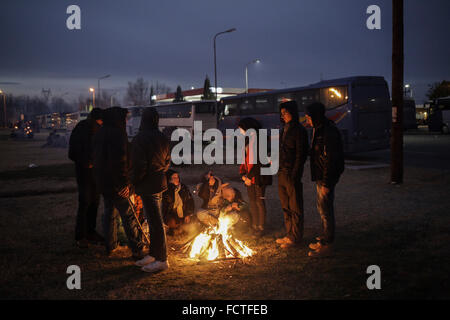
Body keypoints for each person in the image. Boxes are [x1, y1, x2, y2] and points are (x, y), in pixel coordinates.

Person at [93, 107, 145, 259]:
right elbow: (119, 162)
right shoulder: (117, 134)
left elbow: (98, 160)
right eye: (125, 118)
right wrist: (124, 183)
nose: (127, 121)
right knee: (128, 215)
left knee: (109, 213)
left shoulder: (100, 133)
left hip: (103, 182)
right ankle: (137, 249)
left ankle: (111, 246)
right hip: (116, 183)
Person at [131, 107, 171, 273]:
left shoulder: (140, 139)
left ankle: (162, 259)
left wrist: (134, 182)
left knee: (155, 223)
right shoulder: (163, 137)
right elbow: (168, 161)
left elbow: (139, 166)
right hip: (159, 183)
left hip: (148, 185)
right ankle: (154, 254)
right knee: (154, 221)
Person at [305, 102, 344, 257]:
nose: (307, 120)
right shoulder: (319, 129)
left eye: (308, 117)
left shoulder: (328, 131)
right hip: (321, 176)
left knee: (326, 210)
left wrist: (327, 182)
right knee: (322, 209)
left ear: (315, 116)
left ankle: (328, 244)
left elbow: (331, 159)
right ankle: (324, 239)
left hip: (326, 178)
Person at [68, 108, 104, 248]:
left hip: (96, 172)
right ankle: (81, 235)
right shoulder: (82, 128)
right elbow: (72, 152)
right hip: (85, 172)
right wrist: (86, 162)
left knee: (95, 202)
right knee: (85, 202)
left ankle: (90, 231)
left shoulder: (98, 129)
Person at [276, 101, 309, 248]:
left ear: (293, 113)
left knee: (295, 207)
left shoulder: (299, 130)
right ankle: (289, 234)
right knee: (285, 206)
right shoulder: (284, 129)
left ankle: (295, 237)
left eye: (286, 113)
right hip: (282, 172)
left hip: (291, 174)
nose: (283, 116)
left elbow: (300, 155)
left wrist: (295, 174)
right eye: (282, 113)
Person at [238, 117, 272, 237]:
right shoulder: (247, 140)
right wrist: (243, 174)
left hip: (259, 177)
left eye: (241, 129)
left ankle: (261, 227)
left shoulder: (259, 140)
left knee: (259, 202)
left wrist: (249, 177)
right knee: (252, 202)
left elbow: (260, 162)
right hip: (249, 177)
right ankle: (254, 226)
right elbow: (245, 160)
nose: (240, 131)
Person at [162, 170, 195, 235]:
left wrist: (188, 214)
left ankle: (180, 229)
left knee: (193, 222)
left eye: (177, 177)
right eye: (174, 178)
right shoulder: (166, 190)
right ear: (169, 179)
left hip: (183, 212)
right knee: (173, 223)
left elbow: (190, 201)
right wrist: (172, 187)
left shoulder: (183, 188)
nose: (176, 179)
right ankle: (174, 229)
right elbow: (166, 207)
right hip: (172, 214)